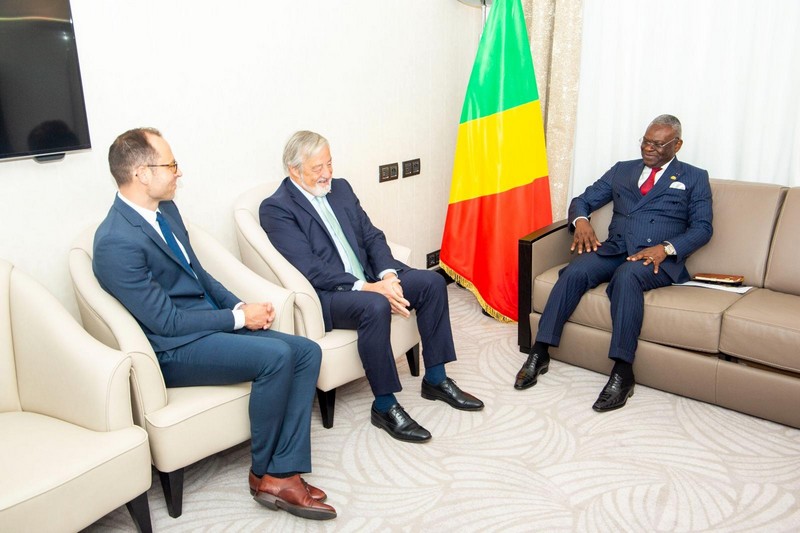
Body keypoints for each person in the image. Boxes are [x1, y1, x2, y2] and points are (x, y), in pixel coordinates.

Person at [93, 127, 336, 521]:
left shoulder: (166, 211)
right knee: (276, 356)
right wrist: (238, 319)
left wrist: (239, 305)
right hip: (172, 349)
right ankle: (266, 472)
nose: (178, 173)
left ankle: (281, 471)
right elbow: (166, 322)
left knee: (306, 350)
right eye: (170, 165)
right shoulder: (115, 241)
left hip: (206, 326)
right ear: (140, 174)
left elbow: (199, 276)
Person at [259, 130, 484, 443]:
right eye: (317, 168)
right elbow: (310, 268)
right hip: (331, 295)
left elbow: (371, 236)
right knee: (376, 305)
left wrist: (388, 275)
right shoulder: (277, 209)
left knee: (432, 282)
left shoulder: (341, 189)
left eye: (329, 164)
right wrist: (368, 288)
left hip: (372, 277)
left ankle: (436, 378)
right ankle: (385, 405)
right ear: (294, 170)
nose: (327, 174)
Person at [514, 114, 713, 412]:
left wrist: (666, 248)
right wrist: (581, 221)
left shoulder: (694, 177)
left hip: (653, 258)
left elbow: (702, 228)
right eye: (646, 141)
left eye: (658, 144)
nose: (649, 148)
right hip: (616, 247)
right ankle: (540, 351)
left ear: (677, 145)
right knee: (576, 270)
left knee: (626, 277)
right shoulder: (623, 170)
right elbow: (583, 199)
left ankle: (623, 371)